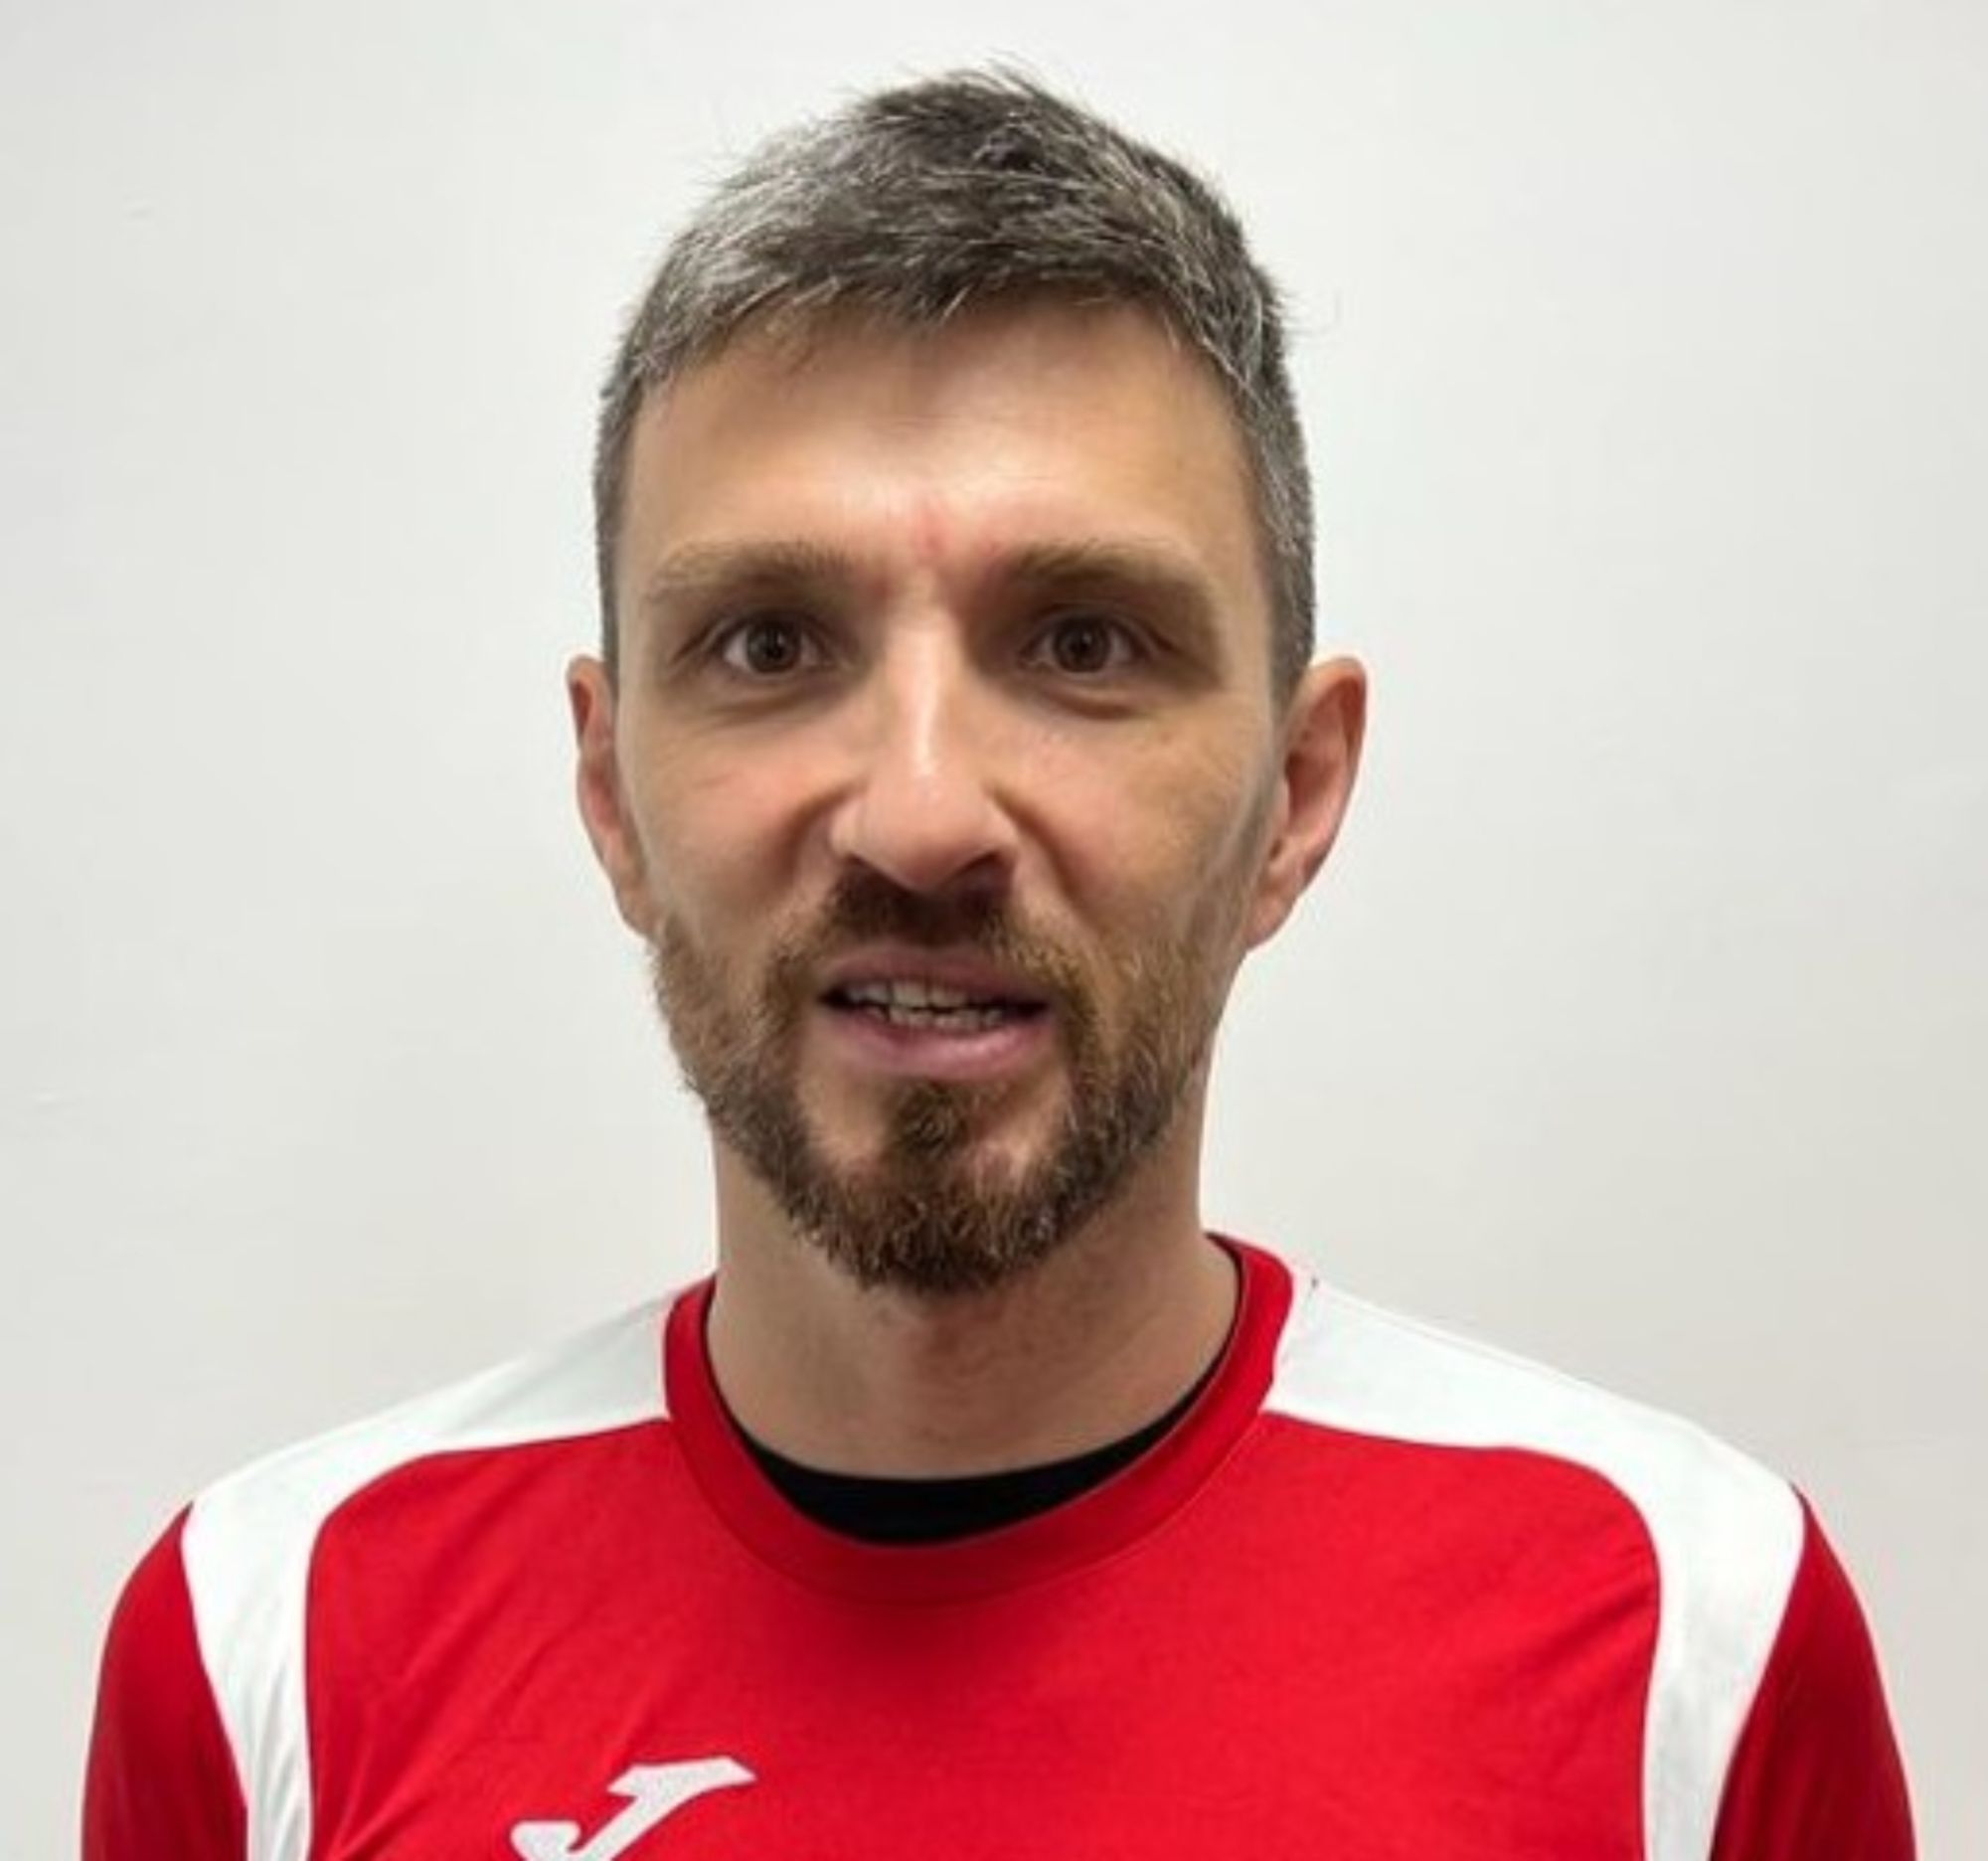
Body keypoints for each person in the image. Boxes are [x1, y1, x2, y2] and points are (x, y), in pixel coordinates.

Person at [84, 69, 1912, 1861]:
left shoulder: (1684, 1633)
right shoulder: (274, 1645)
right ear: (612, 792)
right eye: (771, 643)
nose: (921, 814)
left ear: (1294, 793)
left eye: (1083, 642)